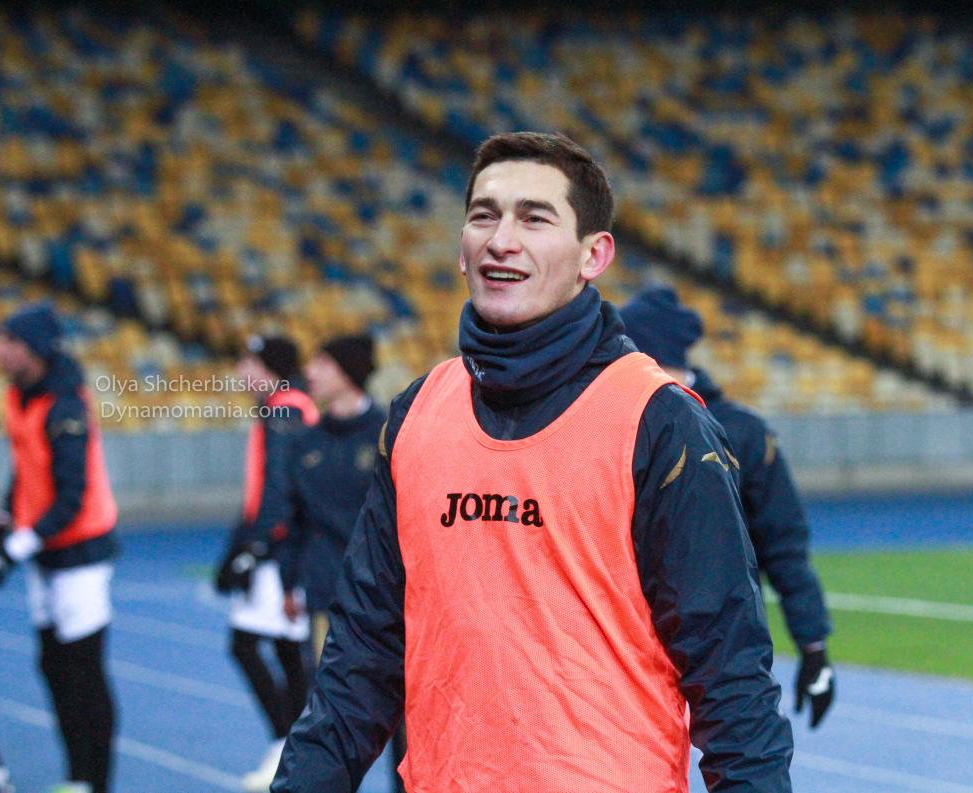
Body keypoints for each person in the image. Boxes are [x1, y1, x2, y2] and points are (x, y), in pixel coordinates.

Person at [273, 131, 793, 793]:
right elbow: (362, 652)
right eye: (484, 215)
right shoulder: (418, 413)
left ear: (593, 256)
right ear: (461, 247)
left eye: (534, 218)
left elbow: (731, 675)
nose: (501, 239)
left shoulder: (660, 422)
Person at [620, 286, 836, 729]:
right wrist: (813, 647)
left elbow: (783, 546)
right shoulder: (607, 419)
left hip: (719, 647)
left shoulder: (743, 434)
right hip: (635, 650)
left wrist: (814, 646)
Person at [248, 335, 404, 791]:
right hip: (326, 598)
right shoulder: (305, 442)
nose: (311, 371)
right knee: (331, 714)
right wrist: (288, 582)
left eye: (323, 362)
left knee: (410, 721)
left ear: (349, 371)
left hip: (395, 600)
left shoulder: (391, 434)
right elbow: (294, 519)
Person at [0, 303, 118, 793]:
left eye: (11, 341)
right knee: (53, 665)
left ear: (36, 350)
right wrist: (9, 514)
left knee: (84, 669)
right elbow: (26, 470)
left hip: (80, 554)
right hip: (46, 551)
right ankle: (76, 775)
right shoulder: (18, 396)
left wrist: (18, 544)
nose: (2, 350)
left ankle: (94, 780)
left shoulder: (65, 404)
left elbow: (72, 494)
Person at [213, 335, 317, 792]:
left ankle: (286, 744)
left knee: (263, 647)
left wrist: (252, 549)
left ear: (270, 367)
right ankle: (290, 746)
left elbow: (280, 488)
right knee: (283, 650)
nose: (242, 371)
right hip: (278, 547)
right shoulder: (278, 407)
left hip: (282, 551)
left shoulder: (286, 410)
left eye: (249, 362)